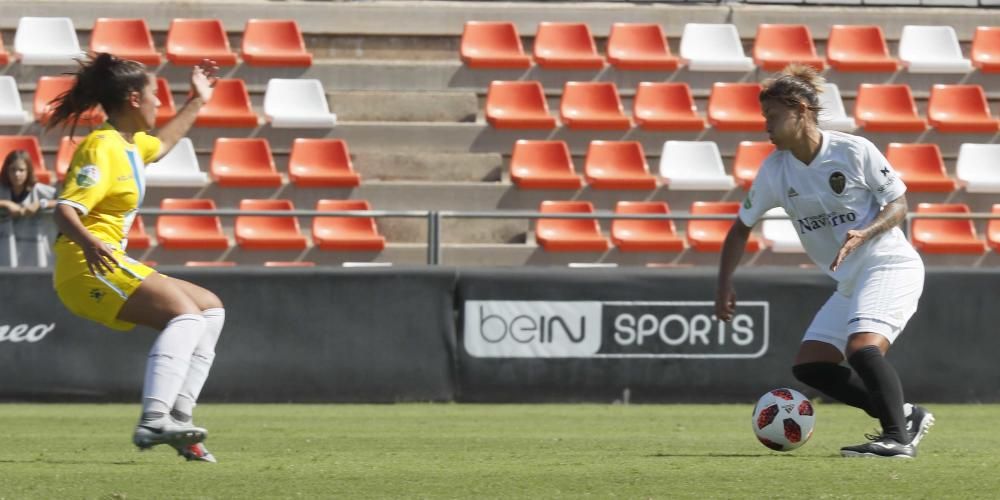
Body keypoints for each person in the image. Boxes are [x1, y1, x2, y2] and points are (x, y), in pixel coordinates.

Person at [714, 65, 934, 459]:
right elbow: (740, 228)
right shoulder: (774, 170)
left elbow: (898, 203)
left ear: (800, 110)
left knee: (862, 348)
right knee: (811, 367)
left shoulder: (853, 150)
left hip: (888, 264)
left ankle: (898, 440)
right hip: (850, 280)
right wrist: (724, 284)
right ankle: (904, 415)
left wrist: (866, 232)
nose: (765, 125)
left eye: (772, 116)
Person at [49, 53, 224, 463]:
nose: (158, 103)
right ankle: (155, 419)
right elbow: (65, 209)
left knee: (210, 310)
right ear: (133, 98)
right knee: (186, 317)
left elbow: (163, 144)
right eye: (154, 96)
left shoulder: (130, 143)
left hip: (107, 261)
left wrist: (197, 100)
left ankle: (179, 416)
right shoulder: (101, 147)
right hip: (87, 266)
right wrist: (91, 244)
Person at [0, 151, 56, 267]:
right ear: (6, 171)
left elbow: (65, 201)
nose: (16, 174)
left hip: (35, 251)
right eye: (12, 170)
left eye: (21, 170)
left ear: (28, 171)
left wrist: (41, 204)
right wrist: (5, 203)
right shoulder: (2, 189)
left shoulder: (39, 190)